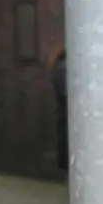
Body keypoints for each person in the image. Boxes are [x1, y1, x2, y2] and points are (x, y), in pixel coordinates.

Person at [48, 43, 68, 176]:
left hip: (64, 116)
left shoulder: (60, 67)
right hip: (67, 116)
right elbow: (66, 94)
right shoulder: (63, 68)